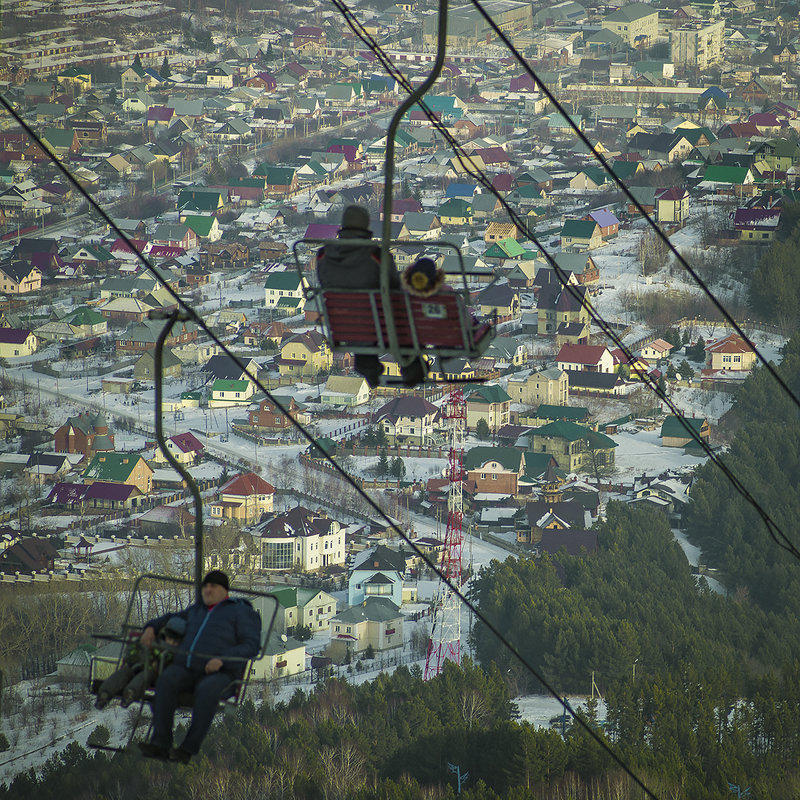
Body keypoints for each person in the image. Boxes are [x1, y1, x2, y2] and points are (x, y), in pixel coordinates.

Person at [138, 570, 261, 763]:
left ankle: (188, 748)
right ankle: (161, 743)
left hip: (221, 673)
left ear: (224, 590)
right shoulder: (197, 611)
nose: (207, 590)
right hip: (188, 668)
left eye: (213, 586)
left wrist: (222, 660)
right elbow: (171, 618)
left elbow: (251, 645)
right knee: (167, 680)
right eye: (205, 586)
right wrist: (151, 627)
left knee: (206, 690)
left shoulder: (240, 612)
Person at [317, 205, 427, 387]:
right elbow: (395, 287)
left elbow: (324, 282)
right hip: (379, 325)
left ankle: (368, 365)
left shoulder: (323, 255)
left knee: (362, 324)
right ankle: (413, 368)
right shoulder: (377, 256)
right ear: (366, 228)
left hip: (343, 325)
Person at [95, 616, 186, 710]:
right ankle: (104, 694)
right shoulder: (152, 641)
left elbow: (171, 667)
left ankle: (131, 693)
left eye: (176, 642)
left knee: (143, 677)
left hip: (152, 672)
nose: (172, 643)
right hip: (137, 665)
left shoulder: (174, 653)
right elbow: (133, 651)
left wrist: (157, 664)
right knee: (123, 673)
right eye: (171, 639)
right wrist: (135, 658)